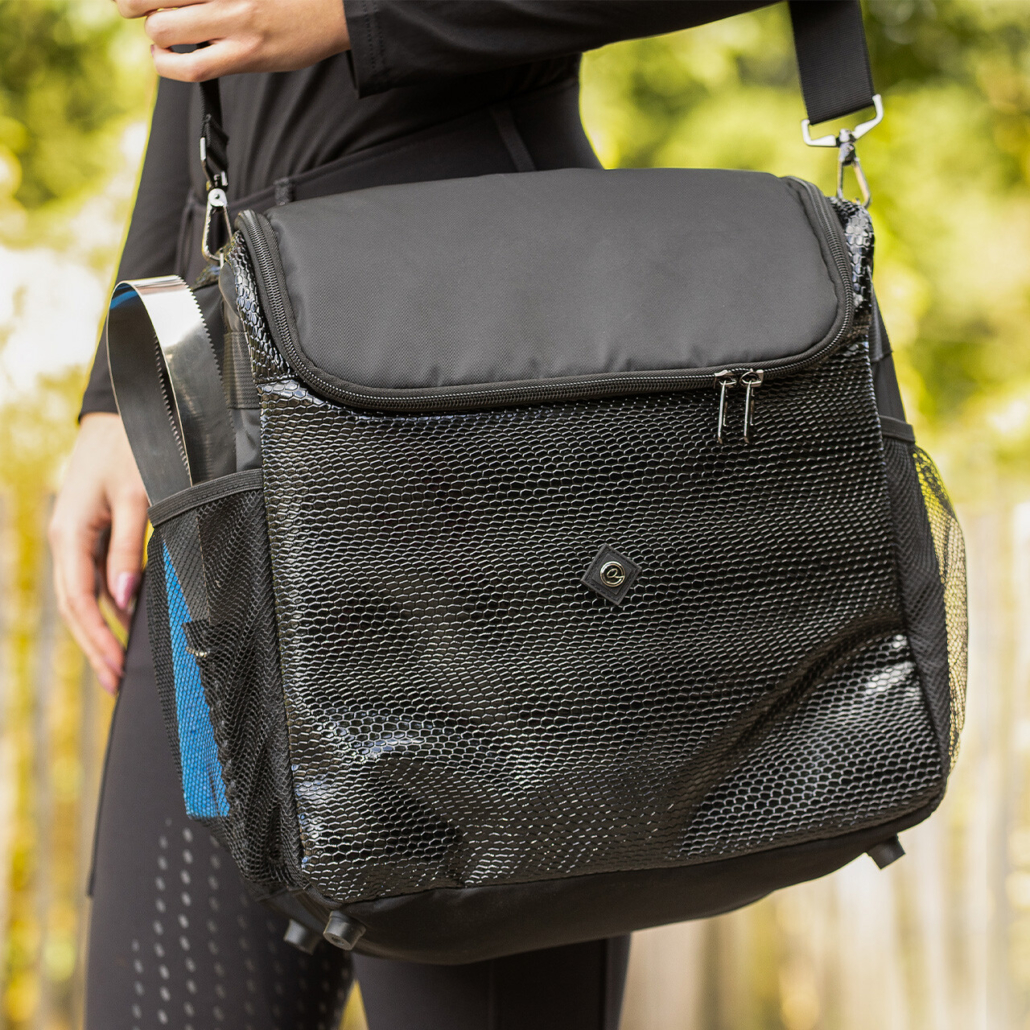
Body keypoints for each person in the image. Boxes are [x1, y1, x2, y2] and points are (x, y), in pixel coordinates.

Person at [49, 3, 774, 1027]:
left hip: (478, 386)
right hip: (227, 392)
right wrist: (114, 389)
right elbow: (194, 53)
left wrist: (359, 14)